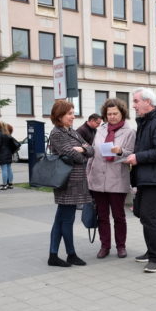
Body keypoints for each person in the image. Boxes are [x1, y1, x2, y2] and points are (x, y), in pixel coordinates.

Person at [122, 87, 156, 273]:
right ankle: (152, 251)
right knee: (145, 215)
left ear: (148, 102)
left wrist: (137, 158)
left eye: (136, 101)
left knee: (149, 215)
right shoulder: (146, 122)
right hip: (146, 177)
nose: (134, 105)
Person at [86, 99, 136, 259]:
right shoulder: (100, 130)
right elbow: (93, 153)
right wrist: (89, 175)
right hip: (98, 179)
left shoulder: (129, 131)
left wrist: (121, 151)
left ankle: (121, 246)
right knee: (102, 215)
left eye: (115, 113)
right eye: (109, 114)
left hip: (117, 179)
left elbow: (132, 154)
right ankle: (104, 246)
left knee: (118, 216)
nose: (112, 116)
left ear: (122, 113)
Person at [47, 100, 95, 267]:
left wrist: (82, 150)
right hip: (66, 182)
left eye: (73, 113)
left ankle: (53, 255)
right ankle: (70, 254)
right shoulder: (57, 133)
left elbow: (91, 149)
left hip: (76, 181)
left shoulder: (72, 132)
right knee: (66, 219)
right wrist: (83, 152)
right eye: (70, 114)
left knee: (61, 218)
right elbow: (71, 155)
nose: (73, 116)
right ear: (59, 116)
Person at [0, 123, 17, 190]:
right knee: (9, 169)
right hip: (9, 153)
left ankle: (4, 185)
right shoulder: (7, 133)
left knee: (4, 169)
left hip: (2, 153)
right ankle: (10, 184)